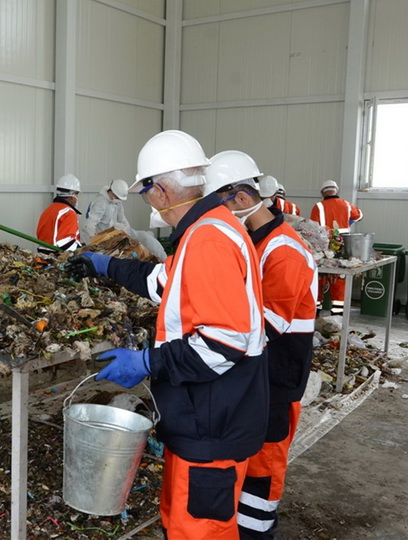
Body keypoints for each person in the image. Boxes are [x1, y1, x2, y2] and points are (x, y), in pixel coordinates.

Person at [66, 131, 268, 540]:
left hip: (213, 419)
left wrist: (146, 361)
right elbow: (164, 282)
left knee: (201, 530)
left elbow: (223, 343)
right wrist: (106, 266)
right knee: (181, 521)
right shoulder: (207, 229)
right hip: (202, 415)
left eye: (145, 191)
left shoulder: (209, 239)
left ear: (159, 190)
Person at [204, 151, 317, 539]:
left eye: (217, 202)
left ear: (240, 198)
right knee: (244, 465)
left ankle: (256, 533)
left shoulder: (284, 251)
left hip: (277, 383)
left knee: (263, 473)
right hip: (256, 378)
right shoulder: (254, 241)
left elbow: (266, 324)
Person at [310, 179, 363, 315]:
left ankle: (316, 310)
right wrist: (348, 221)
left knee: (320, 276)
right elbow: (359, 216)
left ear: (323, 193)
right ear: (336, 190)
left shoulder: (318, 206)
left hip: (324, 247)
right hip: (343, 247)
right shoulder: (346, 204)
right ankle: (338, 314)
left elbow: (313, 229)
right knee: (340, 277)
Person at [36, 173, 82, 254]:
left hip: (42, 255)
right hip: (56, 257)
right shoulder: (69, 213)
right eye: (77, 194)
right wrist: (79, 249)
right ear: (72, 196)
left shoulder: (49, 209)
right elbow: (65, 243)